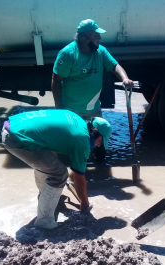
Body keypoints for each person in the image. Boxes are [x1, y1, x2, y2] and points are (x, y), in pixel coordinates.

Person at [1, 109, 112, 229]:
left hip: (13, 126)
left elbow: (50, 141)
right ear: (94, 132)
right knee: (59, 174)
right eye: (101, 141)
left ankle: (44, 196)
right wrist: (85, 205)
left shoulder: (77, 119)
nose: (99, 145)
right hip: (17, 138)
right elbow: (79, 177)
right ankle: (44, 221)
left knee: (50, 166)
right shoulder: (82, 142)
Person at [52, 19, 134, 161]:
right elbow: (56, 80)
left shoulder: (100, 51)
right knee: (74, 145)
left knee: (100, 140)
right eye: (96, 36)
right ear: (85, 38)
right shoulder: (67, 53)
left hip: (93, 108)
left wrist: (124, 78)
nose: (99, 38)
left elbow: (115, 66)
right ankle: (73, 176)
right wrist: (60, 108)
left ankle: (102, 171)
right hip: (72, 109)